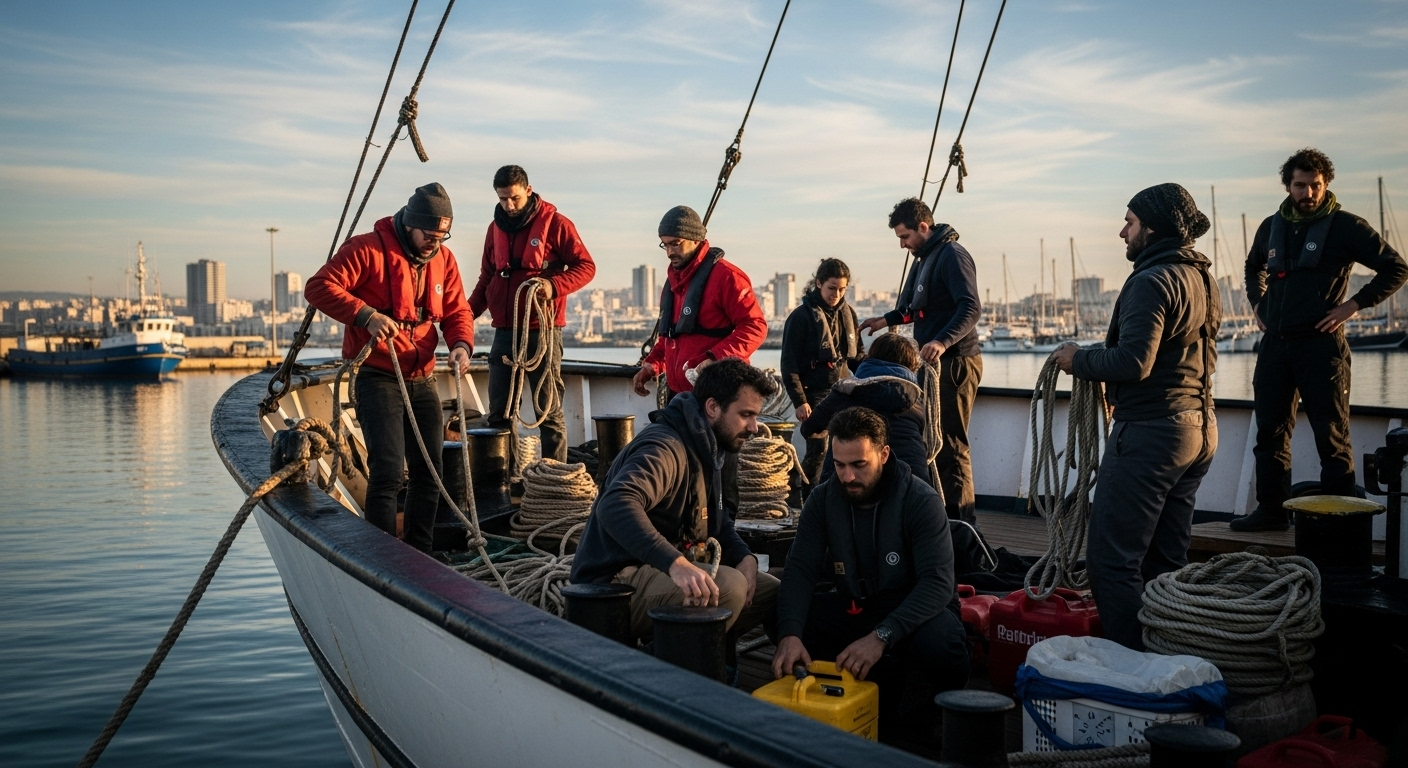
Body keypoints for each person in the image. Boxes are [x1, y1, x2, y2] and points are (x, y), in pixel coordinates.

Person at [1052, 182, 1221, 650]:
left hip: (1152, 435)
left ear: (1153, 227)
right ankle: (1168, 655)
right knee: (1165, 561)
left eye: (1129, 222)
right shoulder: (1203, 278)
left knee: (1112, 562)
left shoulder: (1152, 280)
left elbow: (1134, 362)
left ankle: (1131, 668)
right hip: (1199, 429)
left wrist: (1077, 359)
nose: (1121, 232)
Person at [1234, 148, 1408, 532]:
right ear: (1288, 185)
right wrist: (1257, 302)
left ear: (1326, 184)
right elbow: (1252, 266)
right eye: (1300, 185)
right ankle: (1271, 511)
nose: (1308, 193)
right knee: (1270, 433)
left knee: (1331, 436)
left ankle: (1339, 522)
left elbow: (1396, 268)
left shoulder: (1346, 226)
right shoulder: (1270, 226)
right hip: (1276, 346)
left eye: (1315, 186)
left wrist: (1352, 306)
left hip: (1321, 346)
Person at [771, 406, 969, 738]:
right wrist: (789, 633)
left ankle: (926, 709)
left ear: (884, 454)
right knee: (785, 615)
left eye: (859, 465)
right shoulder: (822, 500)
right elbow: (800, 569)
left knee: (943, 643)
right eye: (839, 465)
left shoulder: (921, 500)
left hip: (916, 612)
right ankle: (855, 690)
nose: (847, 476)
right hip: (859, 606)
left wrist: (881, 636)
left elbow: (938, 584)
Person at [304, 182, 474, 553]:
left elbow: (458, 310)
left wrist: (461, 344)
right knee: (388, 474)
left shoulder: (444, 260)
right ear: (410, 224)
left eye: (442, 235)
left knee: (431, 472)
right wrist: (366, 315)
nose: (435, 242)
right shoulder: (366, 249)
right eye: (429, 234)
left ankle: (420, 555)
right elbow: (318, 287)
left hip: (423, 376)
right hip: (378, 375)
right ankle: (383, 558)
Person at [572, 358, 781, 643]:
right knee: (730, 587)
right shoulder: (665, 448)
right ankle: (675, 669)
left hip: (657, 569)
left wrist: (745, 557)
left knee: (773, 591)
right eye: (745, 415)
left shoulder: (710, 448)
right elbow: (616, 503)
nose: (754, 427)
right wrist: (675, 564)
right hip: (611, 585)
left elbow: (716, 524)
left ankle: (707, 652)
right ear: (712, 407)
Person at [859, 198, 982, 524]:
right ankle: (938, 522)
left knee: (952, 448)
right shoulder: (924, 258)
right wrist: (883, 322)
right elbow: (914, 308)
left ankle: (961, 528)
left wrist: (941, 341)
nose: (902, 245)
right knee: (933, 443)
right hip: (931, 365)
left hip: (955, 364)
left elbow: (970, 308)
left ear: (923, 227)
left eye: (905, 237)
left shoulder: (952, 256)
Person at [468, 165, 596, 463]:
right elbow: (487, 278)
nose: (508, 206)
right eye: (502, 199)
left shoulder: (557, 224)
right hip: (504, 330)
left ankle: (553, 478)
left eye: (513, 198)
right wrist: (463, 314)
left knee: (547, 410)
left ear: (528, 190)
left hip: (543, 329)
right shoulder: (494, 228)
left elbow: (586, 267)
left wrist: (552, 286)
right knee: (499, 410)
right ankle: (504, 480)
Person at [633, 206, 768, 400]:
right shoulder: (672, 284)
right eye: (665, 245)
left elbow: (755, 327)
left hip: (719, 394)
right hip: (679, 396)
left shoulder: (727, 277)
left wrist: (715, 358)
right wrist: (651, 365)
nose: (670, 252)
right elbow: (670, 337)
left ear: (695, 239)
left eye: (676, 244)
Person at [800, 333, 930, 489]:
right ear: (911, 364)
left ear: (872, 356)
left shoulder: (846, 390)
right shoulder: (916, 401)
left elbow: (809, 427)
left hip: (848, 485)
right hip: (912, 484)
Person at [781, 258, 865, 488]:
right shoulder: (800, 318)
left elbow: (858, 357)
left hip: (842, 391)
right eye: (831, 288)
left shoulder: (849, 315)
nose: (836, 294)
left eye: (841, 289)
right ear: (818, 283)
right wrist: (799, 401)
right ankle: (810, 505)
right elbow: (789, 364)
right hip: (813, 394)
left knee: (846, 450)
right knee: (818, 452)